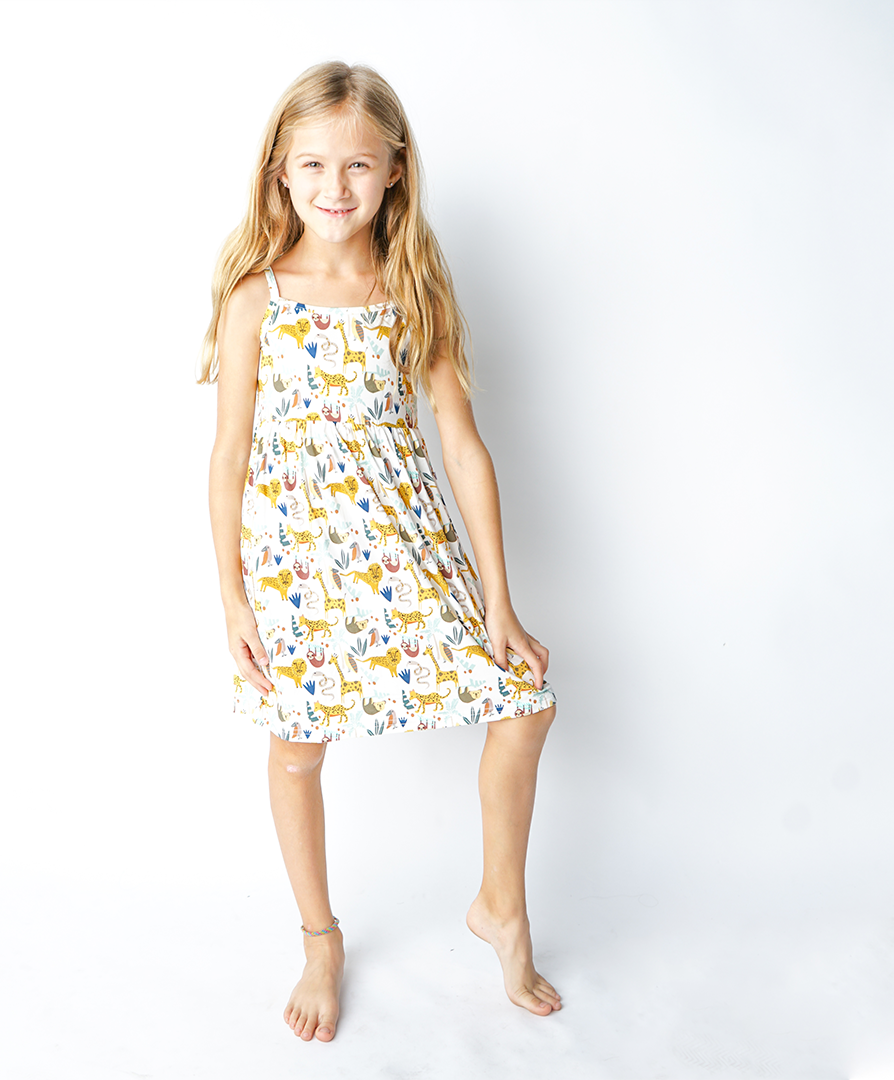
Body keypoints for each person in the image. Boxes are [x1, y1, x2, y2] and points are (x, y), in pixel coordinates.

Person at [201, 61, 561, 1043]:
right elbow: (229, 454)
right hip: (298, 565)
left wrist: (498, 600)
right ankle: (320, 939)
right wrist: (234, 599)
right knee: (295, 750)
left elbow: (464, 447)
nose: (336, 187)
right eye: (314, 165)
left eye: (358, 164)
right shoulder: (257, 298)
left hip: (407, 548)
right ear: (280, 171)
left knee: (526, 703)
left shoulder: (411, 288)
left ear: (395, 169)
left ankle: (501, 906)